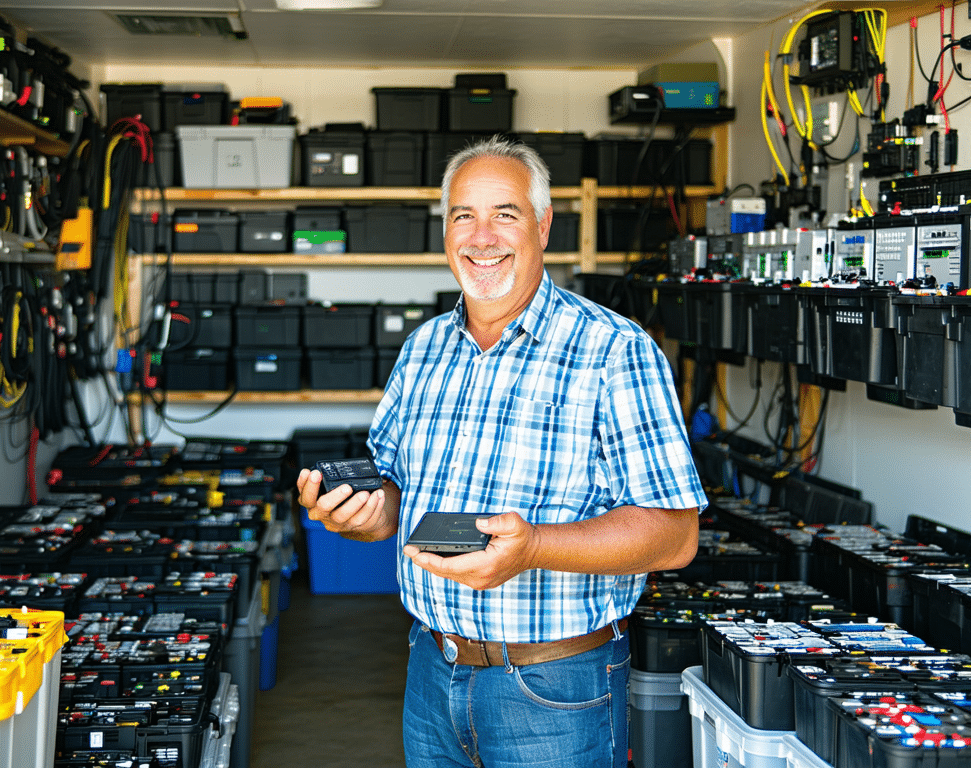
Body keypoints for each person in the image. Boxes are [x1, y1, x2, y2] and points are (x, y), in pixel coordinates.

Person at [296, 135, 706, 768]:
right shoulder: (424, 349)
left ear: (543, 225)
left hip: (554, 689)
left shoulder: (613, 350)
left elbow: (675, 535)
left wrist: (534, 547)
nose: (481, 237)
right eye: (463, 216)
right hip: (431, 671)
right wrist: (361, 515)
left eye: (504, 215)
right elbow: (397, 498)